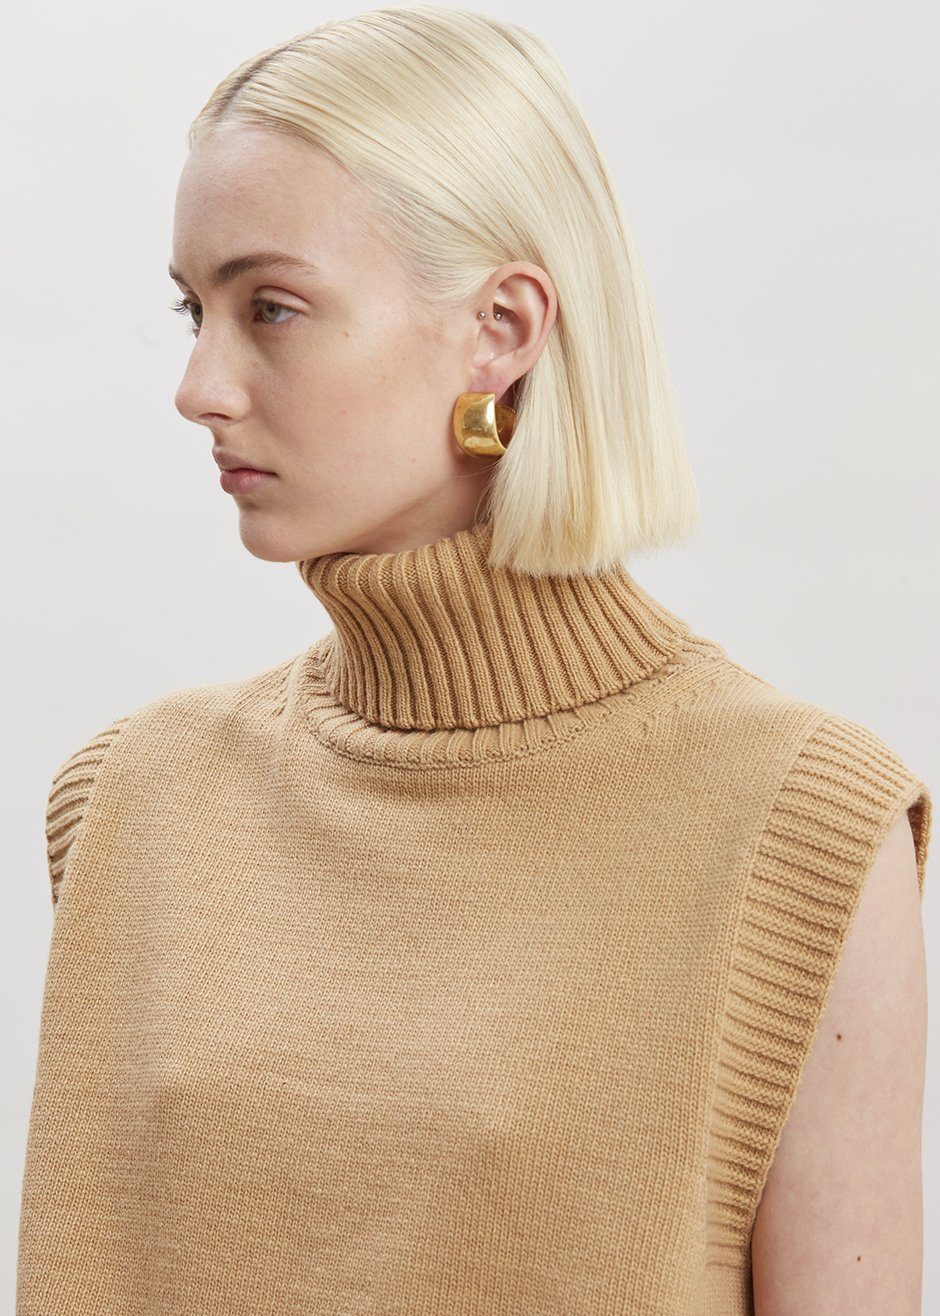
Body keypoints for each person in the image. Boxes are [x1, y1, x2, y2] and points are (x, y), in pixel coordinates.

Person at [17, 7, 931, 1314]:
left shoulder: (804, 825)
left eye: (271, 308)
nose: (200, 384)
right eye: (192, 310)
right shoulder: (126, 800)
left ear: (501, 327)